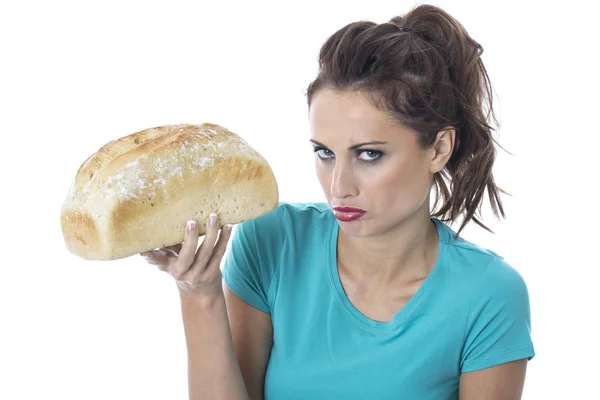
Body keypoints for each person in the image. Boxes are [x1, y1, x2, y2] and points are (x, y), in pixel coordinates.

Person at [141, 4, 535, 399]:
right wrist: (199, 292)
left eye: (369, 154)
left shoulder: (487, 295)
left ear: (439, 148)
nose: (339, 186)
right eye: (325, 152)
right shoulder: (274, 240)